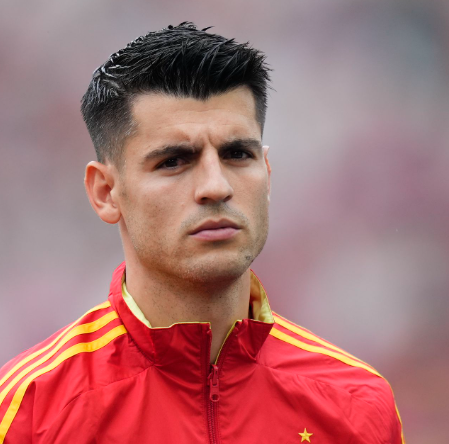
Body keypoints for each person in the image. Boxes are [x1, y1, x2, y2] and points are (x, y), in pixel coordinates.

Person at [0, 22, 404, 443]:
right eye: (174, 161)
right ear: (105, 192)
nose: (216, 186)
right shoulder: (28, 412)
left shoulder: (358, 405)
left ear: (267, 173)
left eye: (237, 154)